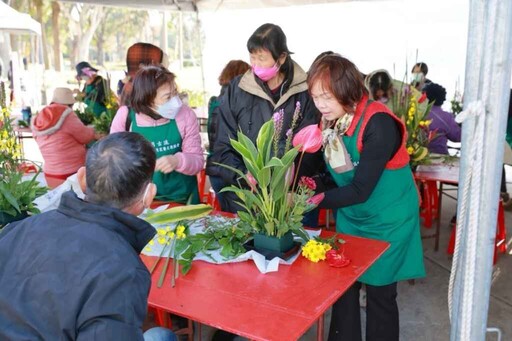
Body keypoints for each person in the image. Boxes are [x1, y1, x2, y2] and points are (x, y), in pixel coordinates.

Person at [0, 132, 176, 341]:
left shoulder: (18, 229)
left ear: (82, 178)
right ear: (149, 195)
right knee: (162, 336)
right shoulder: (123, 271)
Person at [307, 54, 425, 340]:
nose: (320, 104)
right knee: (345, 286)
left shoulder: (378, 124)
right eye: (315, 96)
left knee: (380, 292)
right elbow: (336, 172)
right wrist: (310, 184)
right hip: (353, 215)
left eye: (326, 96)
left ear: (346, 89)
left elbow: (360, 189)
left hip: (389, 219)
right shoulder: (331, 120)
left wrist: (312, 201)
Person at [210, 23, 322, 213]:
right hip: (246, 196)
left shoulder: (304, 90)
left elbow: (310, 150)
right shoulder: (236, 90)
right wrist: (245, 179)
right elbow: (222, 144)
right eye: (252, 58)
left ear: (282, 57)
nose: (255, 65)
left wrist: (284, 185)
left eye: (261, 58)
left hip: (289, 198)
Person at [110, 65, 203, 204]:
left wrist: (177, 161)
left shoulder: (185, 115)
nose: (176, 102)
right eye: (167, 97)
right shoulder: (125, 117)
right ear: (147, 100)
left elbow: (197, 161)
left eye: (175, 93)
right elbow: (113, 159)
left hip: (182, 199)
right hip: (140, 201)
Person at [31, 87, 100, 188]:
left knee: (59, 201)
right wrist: (93, 130)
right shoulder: (67, 115)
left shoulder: (39, 117)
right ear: (70, 103)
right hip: (72, 172)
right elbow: (85, 137)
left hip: (50, 173)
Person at [205, 59, 250, 210]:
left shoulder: (214, 102)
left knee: (226, 216)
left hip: (214, 169)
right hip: (234, 170)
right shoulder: (239, 104)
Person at [423, 82, 461, 155]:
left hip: (415, 158)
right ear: (442, 99)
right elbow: (457, 137)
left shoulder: (416, 113)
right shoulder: (446, 117)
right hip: (439, 158)